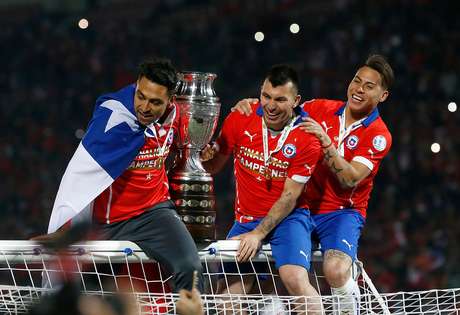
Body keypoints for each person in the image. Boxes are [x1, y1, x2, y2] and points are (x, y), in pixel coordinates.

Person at [233, 54, 394, 314]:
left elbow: (349, 178)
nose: (359, 89)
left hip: (341, 213)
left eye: (369, 86)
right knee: (267, 268)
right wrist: (252, 105)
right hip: (303, 207)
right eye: (357, 81)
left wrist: (324, 140)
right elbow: (280, 107)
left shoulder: (379, 135)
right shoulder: (320, 108)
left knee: (335, 269)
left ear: (383, 96)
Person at [36, 58, 203, 292]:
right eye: (141, 96)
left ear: (170, 101)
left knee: (190, 268)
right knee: (84, 292)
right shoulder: (114, 119)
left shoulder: (178, 116)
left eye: (155, 102)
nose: (144, 107)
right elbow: (82, 177)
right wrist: (66, 231)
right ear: (136, 86)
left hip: (153, 214)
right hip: (108, 223)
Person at [202, 64, 323, 314]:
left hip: (289, 220)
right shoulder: (240, 117)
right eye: (266, 96)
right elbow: (214, 166)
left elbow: (290, 197)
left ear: (296, 101)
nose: (270, 105)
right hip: (246, 219)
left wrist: (258, 233)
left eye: (280, 99)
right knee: (226, 299)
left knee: (294, 279)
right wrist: (204, 157)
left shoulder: (307, 137)